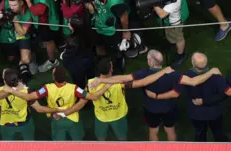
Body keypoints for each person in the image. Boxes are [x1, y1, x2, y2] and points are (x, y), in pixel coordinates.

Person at [89, 50, 220, 141]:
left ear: (151, 62)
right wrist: (211, 71)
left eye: (147, 59)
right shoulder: (172, 74)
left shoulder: (143, 73)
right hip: (169, 108)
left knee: (153, 131)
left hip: (151, 109)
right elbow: (193, 81)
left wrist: (102, 80)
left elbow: (123, 78)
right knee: (170, 130)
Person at [6, 66, 110, 141]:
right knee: (78, 141)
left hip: (56, 118)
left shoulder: (47, 88)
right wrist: (106, 86)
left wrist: (13, 91)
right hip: (72, 118)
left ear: (54, 78)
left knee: (59, 142)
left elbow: (29, 97)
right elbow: (94, 96)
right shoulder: (74, 88)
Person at [144, 0, 189, 66]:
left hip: (175, 22)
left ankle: (181, 55)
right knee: (169, 34)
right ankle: (170, 42)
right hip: (167, 18)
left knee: (178, 38)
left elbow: (162, 14)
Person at [21, 0, 60, 73]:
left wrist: (27, 0)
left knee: (48, 41)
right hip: (53, 14)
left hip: (46, 23)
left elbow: (35, 11)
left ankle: (52, 60)